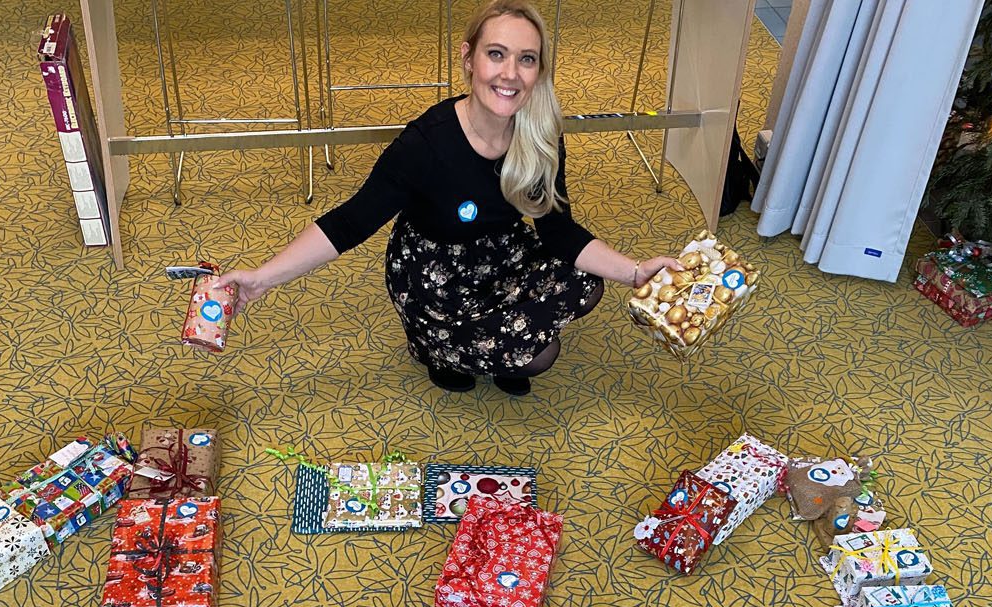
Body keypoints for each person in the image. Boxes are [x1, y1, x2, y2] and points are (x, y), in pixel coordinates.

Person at [208, 0, 683, 396]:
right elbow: (349, 223)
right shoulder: (426, 143)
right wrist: (262, 279)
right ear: (468, 58)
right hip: (435, 278)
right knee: (539, 355)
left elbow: (558, 230)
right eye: (496, 54)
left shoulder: (540, 133)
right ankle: (436, 349)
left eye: (526, 59)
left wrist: (635, 271)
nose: (510, 74)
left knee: (587, 280)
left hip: (501, 255)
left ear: (539, 70)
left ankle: (488, 348)